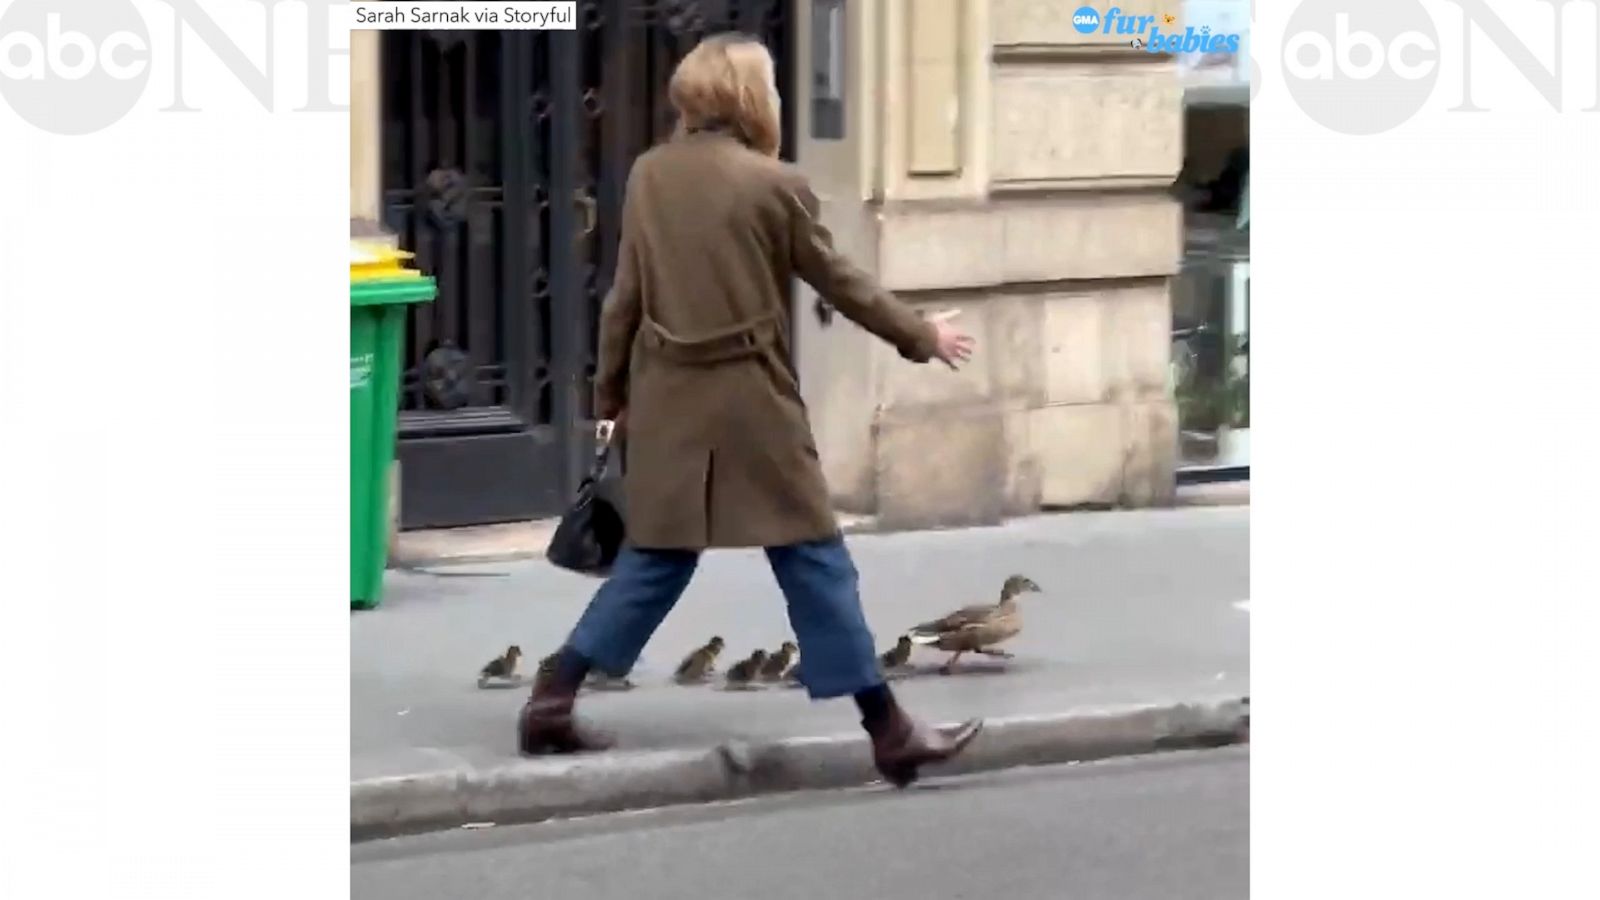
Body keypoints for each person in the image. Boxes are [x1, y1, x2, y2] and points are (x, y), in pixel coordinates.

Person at [518, 32, 981, 788]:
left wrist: (613, 398)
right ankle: (890, 732)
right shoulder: (777, 185)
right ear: (749, 96)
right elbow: (841, 283)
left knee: (656, 559)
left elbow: (623, 301)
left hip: (669, 398)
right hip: (752, 405)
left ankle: (550, 701)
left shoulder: (649, 176)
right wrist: (922, 333)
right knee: (814, 561)